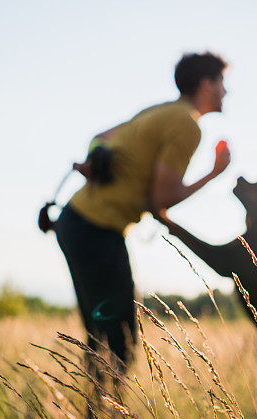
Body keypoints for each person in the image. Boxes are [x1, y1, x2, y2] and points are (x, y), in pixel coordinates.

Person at [54, 51, 230, 384]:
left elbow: (99, 137)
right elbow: (159, 199)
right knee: (119, 343)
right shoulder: (186, 125)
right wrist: (214, 173)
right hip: (96, 232)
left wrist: (97, 159)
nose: (226, 92)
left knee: (102, 337)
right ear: (206, 84)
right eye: (222, 83)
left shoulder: (160, 110)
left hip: (76, 223)